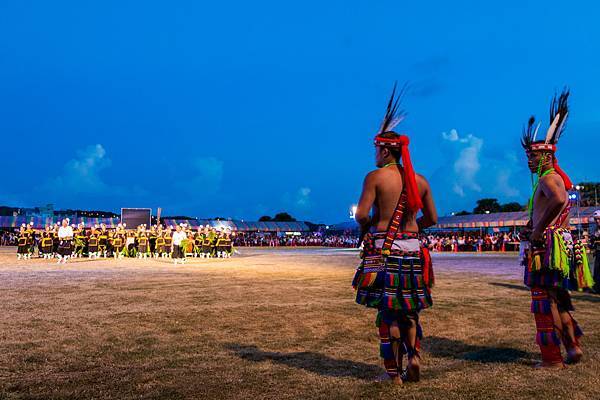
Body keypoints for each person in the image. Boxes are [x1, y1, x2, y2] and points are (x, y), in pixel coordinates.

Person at [352, 84, 438, 384]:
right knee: (410, 311)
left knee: (388, 315)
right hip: (413, 251)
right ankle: (414, 357)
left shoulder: (375, 177)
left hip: (385, 253)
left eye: (376, 148)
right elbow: (432, 218)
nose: (374, 154)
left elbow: (361, 214)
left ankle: (394, 374)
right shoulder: (421, 180)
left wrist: (367, 227)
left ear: (386, 149)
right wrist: (413, 231)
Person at [519, 89, 594, 368]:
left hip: (546, 247)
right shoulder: (553, 177)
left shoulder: (550, 179)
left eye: (532, 156)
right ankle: (572, 347)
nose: (528, 160)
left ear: (546, 157)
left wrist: (537, 230)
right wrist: (533, 225)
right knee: (558, 298)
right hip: (556, 244)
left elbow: (560, 200)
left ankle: (552, 359)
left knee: (544, 300)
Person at [591, 210, 600, 294]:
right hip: (598, 253)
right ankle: (597, 288)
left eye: (598, 219)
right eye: (595, 219)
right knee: (597, 270)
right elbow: (592, 244)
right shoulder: (595, 229)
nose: (597, 221)